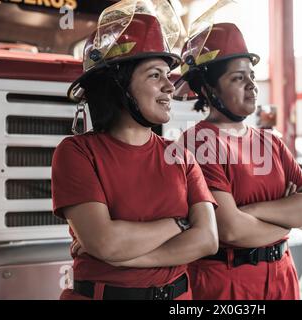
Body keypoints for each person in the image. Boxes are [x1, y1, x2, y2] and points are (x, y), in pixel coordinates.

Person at [51, 1, 218, 300]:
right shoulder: (77, 153)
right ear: (118, 85)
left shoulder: (181, 157)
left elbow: (207, 239)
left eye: (168, 74)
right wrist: (180, 223)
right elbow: (106, 243)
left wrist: (131, 257)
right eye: (155, 75)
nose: (170, 86)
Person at [175, 22, 302, 300]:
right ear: (207, 89)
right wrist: (286, 220)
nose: (252, 86)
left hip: (283, 277)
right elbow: (229, 229)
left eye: (251, 76)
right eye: (238, 78)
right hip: (227, 284)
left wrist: (248, 211)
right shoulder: (198, 143)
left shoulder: (271, 142)